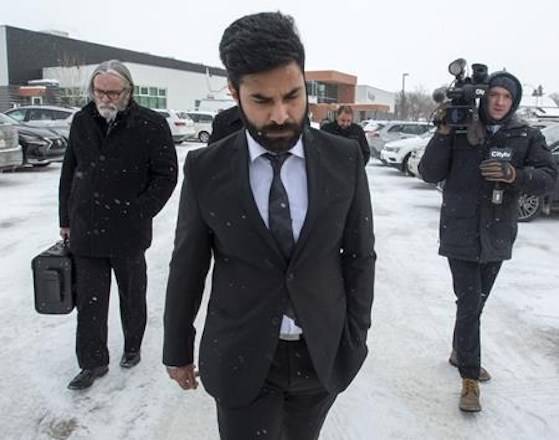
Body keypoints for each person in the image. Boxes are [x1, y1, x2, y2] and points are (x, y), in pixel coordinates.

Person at [163, 12, 375, 440]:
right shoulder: (207, 168)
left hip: (321, 353)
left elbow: (359, 256)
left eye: (292, 96)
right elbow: (188, 265)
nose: (281, 115)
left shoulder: (344, 159)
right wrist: (177, 348)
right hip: (242, 355)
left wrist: (354, 336)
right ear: (234, 92)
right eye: (261, 100)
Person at [419, 71, 557, 412]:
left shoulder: (526, 135)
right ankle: (469, 379)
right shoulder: (462, 129)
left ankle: (458, 351)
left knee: (474, 306)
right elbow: (429, 172)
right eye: (494, 94)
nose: (499, 102)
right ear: (484, 96)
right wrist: (443, 133)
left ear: (514, 102)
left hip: (497, 234)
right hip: (460, 233)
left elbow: (550, 178)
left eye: (506, 97)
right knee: (469, 304)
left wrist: (516, 175)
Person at [59, 60, 178, 390]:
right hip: (87, 227)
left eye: (114, 92)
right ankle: (93, 362)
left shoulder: (151, 124)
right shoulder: (82, 121)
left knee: (131, 294)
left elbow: (166, 175)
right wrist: (65, 219)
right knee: (90, 301)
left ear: (129, 91)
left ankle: (132, 346)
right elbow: (70, 170)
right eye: (100, 91)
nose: (107, 98)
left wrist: (140, 210)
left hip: (129, 230)